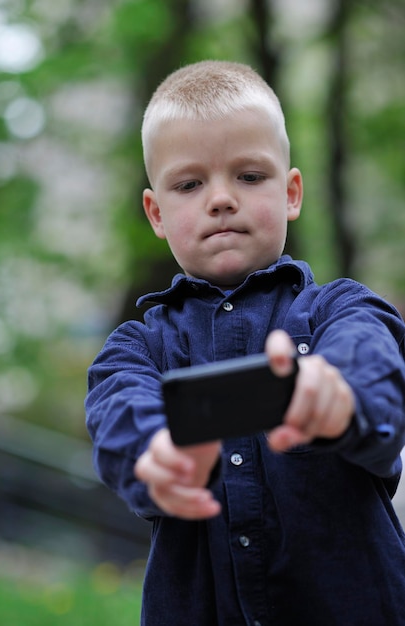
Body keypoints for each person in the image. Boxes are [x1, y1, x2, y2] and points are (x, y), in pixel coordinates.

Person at [85, 60, 405, 625]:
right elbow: (118, 412)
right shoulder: (133, 348)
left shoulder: (343, 309)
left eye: (250, 177)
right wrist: (156, 451)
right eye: (189, 184)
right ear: (156, 212)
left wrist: (338, 393)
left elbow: (372, 363)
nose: (221, 199)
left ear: (291, 192)